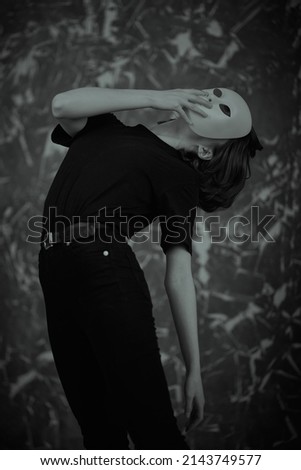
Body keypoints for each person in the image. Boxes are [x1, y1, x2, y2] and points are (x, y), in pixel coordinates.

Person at [38, 87, 262, 450]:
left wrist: (194, 371)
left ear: (205, 150)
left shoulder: (178, 176)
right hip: (55, 267)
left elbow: (179, 275)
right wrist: (158, 97)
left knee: (152, 430)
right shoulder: (105, 127)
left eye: (220, 109)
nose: (208, 99)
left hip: (105, 269)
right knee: (98, 431)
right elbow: (61, 103)